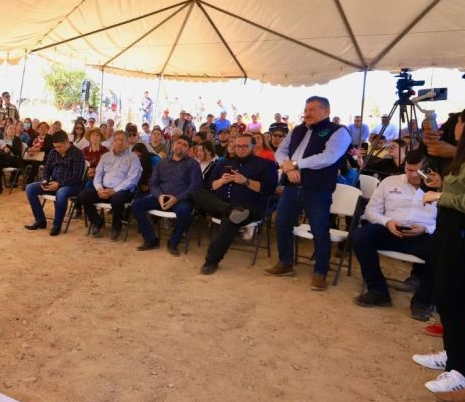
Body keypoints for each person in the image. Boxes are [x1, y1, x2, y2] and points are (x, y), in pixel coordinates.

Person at [408, 104, 465, 402]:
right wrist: (442, 185)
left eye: (459, 121)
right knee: (447, 295)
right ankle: (453, 353)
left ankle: (458, 371)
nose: (454, 127)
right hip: (452, 232)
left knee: (451, 296)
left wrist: (442, 195)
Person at [265, 96, 351, 291]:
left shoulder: (338, 131)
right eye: (306, 109)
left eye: (312, 109)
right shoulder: (297, 129)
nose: (307, 113)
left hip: (317, 190)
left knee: (319, 231)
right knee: (282, 224)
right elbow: (280, 151)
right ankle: (285, 263)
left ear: (326, 111)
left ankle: (320, 272)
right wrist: (287, 167)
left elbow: (328, 157)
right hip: (291, 186)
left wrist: (295, 164)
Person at [351, 149, 437, 309]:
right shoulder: (390, 182)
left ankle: (422, 301)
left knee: (444, 249)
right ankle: (378, 291)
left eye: (418, 171)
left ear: (427, 169)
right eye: (409, 170)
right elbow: (371, 211)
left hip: (424, 236)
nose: (413, 175)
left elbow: (445, 221)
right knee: (361, 236)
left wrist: (426, 228)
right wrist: (388, 222)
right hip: (391, 231)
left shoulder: (439, 188)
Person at [192, 134, 278, 274]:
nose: (240, 149)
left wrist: (246, 181)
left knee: (232, 218)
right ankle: (230, 209)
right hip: (222, 205)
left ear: (253, 147)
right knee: (197, 193)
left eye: (244, 146)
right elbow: (210, 186)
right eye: (238, 146)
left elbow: (268, 190)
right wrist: (222, 181)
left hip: (250, 207)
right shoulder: (224, 163)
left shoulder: (266, 165)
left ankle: (211, 260)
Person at [130, 135, 202, 255]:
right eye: (178, 143)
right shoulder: (162, 163)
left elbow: (195, 187)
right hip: (161, 198)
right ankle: (151, 239)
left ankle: (173, 242)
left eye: (185, 145)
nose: (180, 146)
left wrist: (177, 198)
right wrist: (159, 195)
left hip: (181, 199)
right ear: (173, 145)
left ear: (189, 149)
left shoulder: (193, 164)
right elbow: (153, 183)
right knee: (137, 205)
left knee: (185, 212)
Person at [78, 130, 140, 241]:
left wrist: (114, 190)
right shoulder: (106, 156)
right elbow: (98, 174)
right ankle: (97, 221)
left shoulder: (133, 158)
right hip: (104, 189)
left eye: (122, 140)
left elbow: (131, 180)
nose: (119, 142)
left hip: (123, 191)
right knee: (83, 195)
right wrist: (99, 188)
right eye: (117, 140)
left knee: (117, 199)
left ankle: (116, 227)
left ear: (127, 143)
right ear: (113, 142)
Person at [24, 131, 85, 236]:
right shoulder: (53, 152)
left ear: (67, 142)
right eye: (55, 147)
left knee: (61, 192)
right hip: (53, 183)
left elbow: (77, 176)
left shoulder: (77, 153)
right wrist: (44, 180)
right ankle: (40, 220)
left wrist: (59, 184)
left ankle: (57, 225)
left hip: (71, 185)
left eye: (59, 147)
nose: (57, 149)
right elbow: (47, 169)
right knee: (30, 188)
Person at [0, 122, 24, 195]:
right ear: (6, 130)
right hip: (4, 160)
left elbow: (17, 152)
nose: (12, 130)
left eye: (14, 129)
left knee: (0, 158)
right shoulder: (3, 140)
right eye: (10, 128)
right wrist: (3, 148)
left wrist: (7, 146)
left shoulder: (17, 139)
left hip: (15, 160)